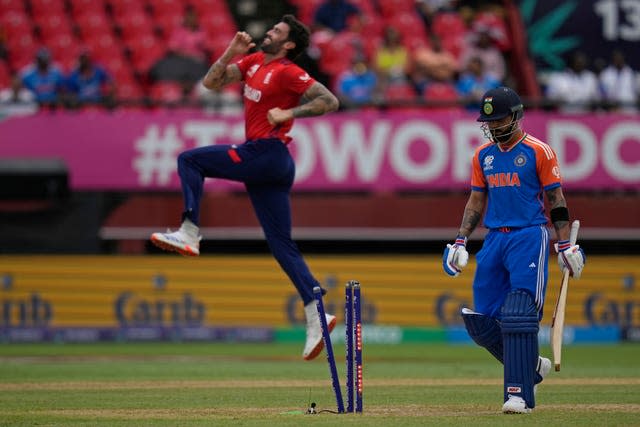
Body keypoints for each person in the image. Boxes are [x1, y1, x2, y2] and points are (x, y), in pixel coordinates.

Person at [150, 15, 340, 361]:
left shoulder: (286, 71)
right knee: (282, 246)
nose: (269, 32)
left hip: (268, 154)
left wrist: (289, 113)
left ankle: (189, 231)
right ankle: (317, 313)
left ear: (288, 45)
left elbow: (329, 101)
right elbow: (211, 83)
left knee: (190, 160)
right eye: (271, 29)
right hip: (267, 166)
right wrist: (229, 52)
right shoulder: (252, 62)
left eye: (277, 32)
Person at [442, 86, 585, 414]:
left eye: (499, 119)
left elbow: (556, 200)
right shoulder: (483, 155)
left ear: (516, 116)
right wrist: (460, 240)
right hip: (494, 240)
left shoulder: (539, 151)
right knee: (481, 323)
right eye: (488, 121)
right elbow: (476, 201)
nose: (493, 126)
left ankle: (518, 394)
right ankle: (532, 367)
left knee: (518, 313)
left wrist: (565, 245)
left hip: (528, 237)